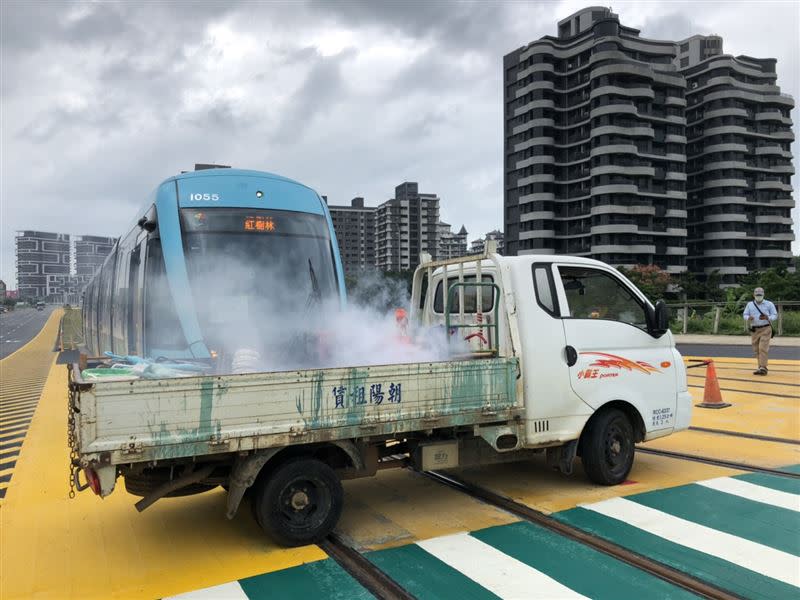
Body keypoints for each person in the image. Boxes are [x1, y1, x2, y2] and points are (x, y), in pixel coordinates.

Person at [743, 287, 777, 376]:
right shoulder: (749, 304)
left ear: (763, 295)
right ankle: (760, 367)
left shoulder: (769, 304)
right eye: (757, 295)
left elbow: (775, 315)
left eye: (760, 295)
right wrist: (748, 318)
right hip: (754, 329)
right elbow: (745, 314)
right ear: (754, 295)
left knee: (762, 348)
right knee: (756, 349)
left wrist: (768, 317)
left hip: (766, 328)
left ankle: (763, 367)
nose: (759, 296)